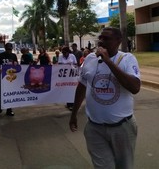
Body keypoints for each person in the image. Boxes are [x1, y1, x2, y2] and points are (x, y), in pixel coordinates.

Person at [69, 27, 141, 169]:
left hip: (122, 127)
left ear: (118, 41)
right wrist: (74, 114)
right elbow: (82, 87)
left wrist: (108, 61)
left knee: (124, 166)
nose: (101, 41)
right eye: (100, 38)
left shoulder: (127, 59)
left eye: (106, 38)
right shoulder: (89, 59)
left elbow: (135, 87)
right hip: (95, 128)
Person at [0, 42, 18, 118]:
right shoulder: (0, 56)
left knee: (10, 94)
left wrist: (16, 64)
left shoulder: (13, 56)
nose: (9, 51)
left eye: (10, 49)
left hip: (10, 79)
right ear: (5, 49)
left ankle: (9, 110)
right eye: (8, 49)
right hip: (1, 78)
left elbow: (17, 66)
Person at [58, 46, 77, 110]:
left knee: (71, 89)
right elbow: (59, 64)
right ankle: (68, 103)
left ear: (68, 52)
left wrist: (71, 65)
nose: (63, 54)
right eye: (62, 52)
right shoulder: (60, 56)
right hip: (64, 77)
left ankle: (72, 104)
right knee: (66, 90)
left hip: (71, 76)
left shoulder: (72, 56)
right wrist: (65, 65)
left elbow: (76, 64)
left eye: (65, 52)